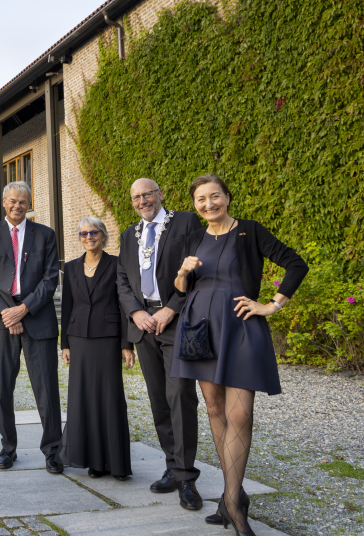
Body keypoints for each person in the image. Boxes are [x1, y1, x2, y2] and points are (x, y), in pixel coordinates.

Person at [172, 174, 307, 535]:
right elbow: (181, 288)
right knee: (214, 408)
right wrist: (183, 273)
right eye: (201, 199)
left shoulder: (249, 230)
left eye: (214, 197)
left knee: (241, 414)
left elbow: (296, 263)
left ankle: (232, 501)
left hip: (240, 327)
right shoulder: (194, 237)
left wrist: (271, 306)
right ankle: (233, 495)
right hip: (201, 329)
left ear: (228, 198)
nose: (208, 204)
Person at [116, 178, 204, 511]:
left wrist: (172, 308)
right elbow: (122, 281)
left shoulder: (184, 222)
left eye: (147, 195)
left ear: (160, 194)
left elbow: (197, 269)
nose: (142, 201)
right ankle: (171, 465)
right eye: (136, 197)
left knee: (180, 395)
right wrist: (136, 313)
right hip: (144, 326)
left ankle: (186, 478)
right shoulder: (128, 236)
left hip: (176, 321)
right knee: (158, 401)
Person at [0, 181, 63, 473]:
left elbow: (51, 278)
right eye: (12, 201)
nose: (17, 206)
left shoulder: (46, 235)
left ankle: (53, 450)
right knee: (3, 388)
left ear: (30, 204)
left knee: (47, 388)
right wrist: (6, 313)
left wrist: (23, 309)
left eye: (23, 201)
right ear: (3, 202)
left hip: (37, 318)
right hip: (3, 322)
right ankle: (7, 447)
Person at [60, 217, 135, 480]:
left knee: (110, 398)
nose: (88, 237)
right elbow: (67, 307)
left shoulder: (117, 265)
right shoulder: (70, 268)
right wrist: (65, 344)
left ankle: (115, 463)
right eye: (83, 233)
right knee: (83, 399)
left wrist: (127, 345)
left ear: (102, 236)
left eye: (93, 232)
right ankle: (92, 460)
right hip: (78, 339)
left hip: (108, 339)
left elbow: (125, 306)